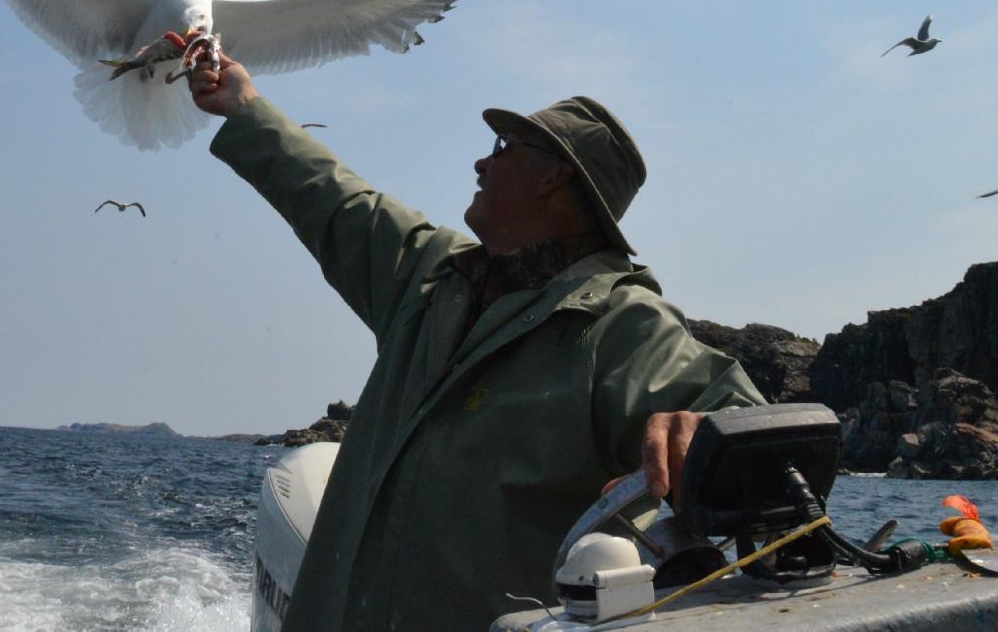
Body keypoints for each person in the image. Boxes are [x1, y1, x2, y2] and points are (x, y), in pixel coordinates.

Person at [188, 46, 765, 630]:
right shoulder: (431, 276)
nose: (480, 165)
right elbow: (335, 200)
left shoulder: (621, 326)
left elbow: (759, 442)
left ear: (554, 177)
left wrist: (703, 433)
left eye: (502, 150)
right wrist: (245, 107)